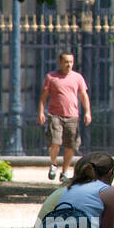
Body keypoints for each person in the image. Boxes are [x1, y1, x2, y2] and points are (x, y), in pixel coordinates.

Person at [38, 51, 92, 183]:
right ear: (60, 62)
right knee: (55, 141)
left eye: (71, 62)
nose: (69, 65)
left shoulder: (77, 77)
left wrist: (87, 112)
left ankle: (64, 172)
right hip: (55, 114)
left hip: (72, 115)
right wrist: (40, 112)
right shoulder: (51, 77)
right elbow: (43, 97)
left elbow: (84, 96)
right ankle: (54, 164)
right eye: (66, 62)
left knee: (70, 145)